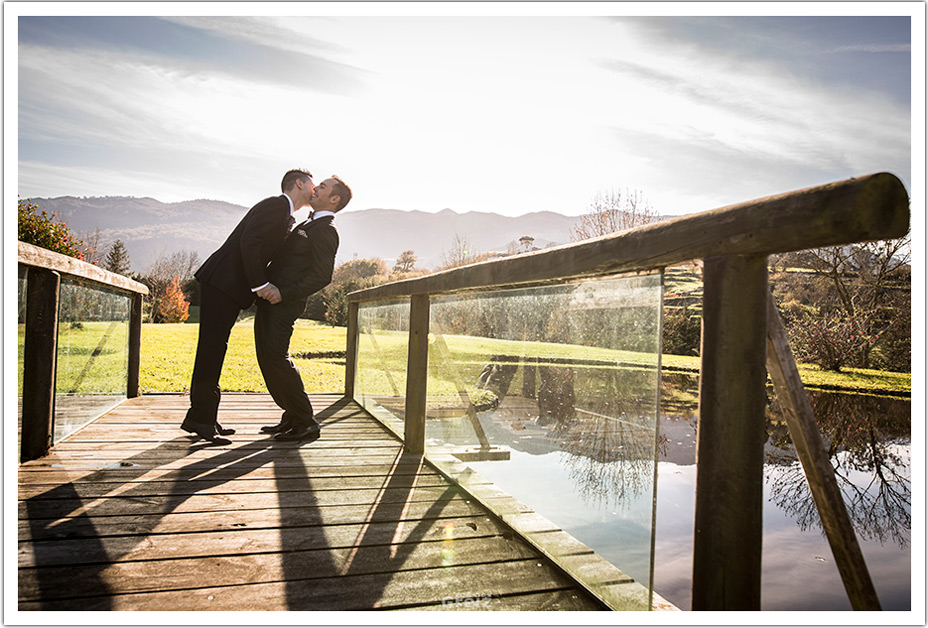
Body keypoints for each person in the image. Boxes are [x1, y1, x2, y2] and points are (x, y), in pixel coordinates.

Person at [181, 169, 315, 445]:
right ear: (300, 183)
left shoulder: (283, 212)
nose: (315, 189)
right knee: (211, 348)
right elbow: (250, 243)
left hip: (226, 286)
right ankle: (201, 420)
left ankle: (204, 415)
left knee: (215, 348)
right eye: (313, 183)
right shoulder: (276, 205)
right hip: (223, 283)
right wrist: (259, 285)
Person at [256, 176, 353, 442]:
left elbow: (322, 276)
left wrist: (282, 292)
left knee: (277, 359)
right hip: (270, 300)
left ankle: (306, 421)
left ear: (334, 199)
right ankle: (291, 415)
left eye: (322, 187)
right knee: (267, 358)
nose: (316, 188)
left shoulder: (326, 230)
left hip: (284, 303)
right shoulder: (309, 222)